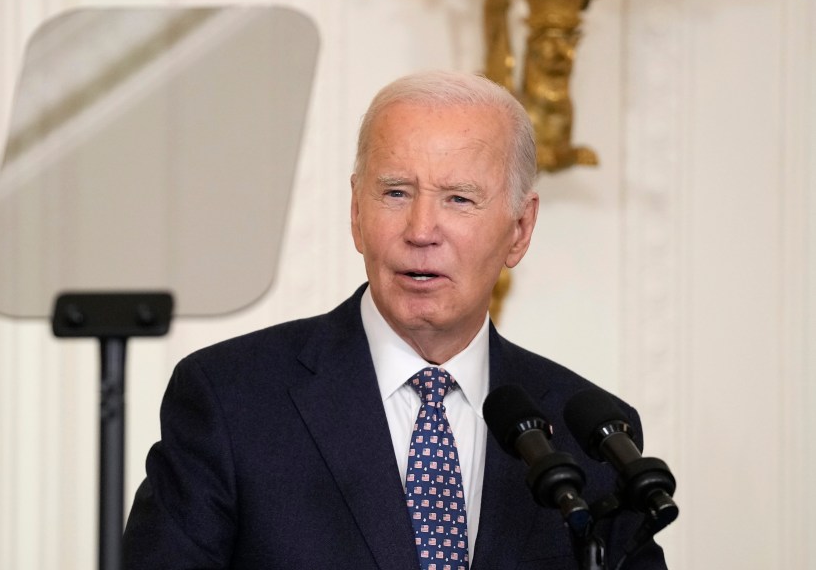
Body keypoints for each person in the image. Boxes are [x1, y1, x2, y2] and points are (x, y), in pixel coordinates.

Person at [122, 70, 667, 569]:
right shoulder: (231, 401)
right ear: (357, 213)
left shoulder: (591, 438)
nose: (421, 229)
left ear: (520, 230)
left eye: (458, 199)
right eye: (395, 193)